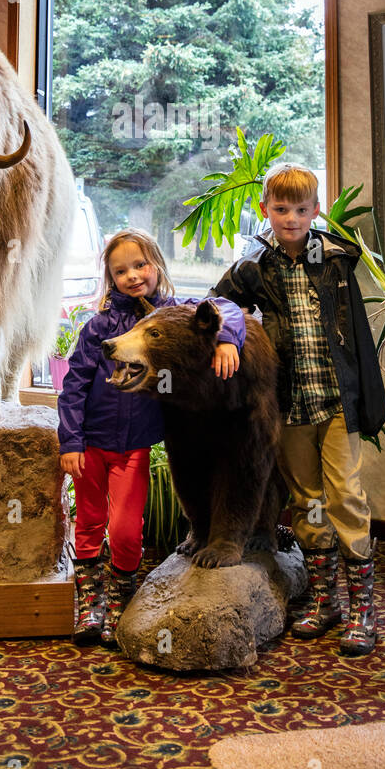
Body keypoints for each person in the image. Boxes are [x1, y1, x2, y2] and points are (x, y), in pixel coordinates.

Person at [213, 164, 385, 656]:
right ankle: (326, 601)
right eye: (281, 208)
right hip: (289, 402)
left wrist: (368, 396)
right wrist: (228, 337)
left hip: (336, 401)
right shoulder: (254, 264)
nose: (291, 218)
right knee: (309, 499)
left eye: (301, 209)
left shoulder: (334, 260)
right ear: (265, 209)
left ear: (315, 211)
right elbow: (219, 304)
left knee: (346, 497)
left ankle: (362, 612)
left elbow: (357, 335)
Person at [58, 228, 246, 648]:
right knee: (87, 522)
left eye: (140, 265)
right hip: (90, 443)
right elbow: (73, 387)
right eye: (120, 270)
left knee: (125, 529)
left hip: (135, 447)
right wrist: (70, 441)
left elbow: (227, 308)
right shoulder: (98, 327)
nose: (133, 275)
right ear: (110, 278)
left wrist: (228, 340)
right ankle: (91, 604)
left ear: (158, 265)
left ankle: (122, 596)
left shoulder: (174, 312)